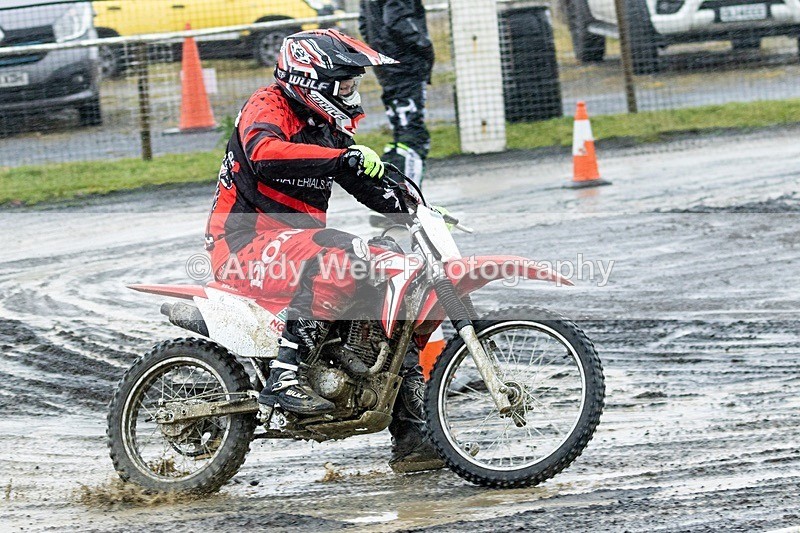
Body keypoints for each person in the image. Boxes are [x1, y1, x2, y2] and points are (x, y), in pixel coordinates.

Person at [204, 29, 444, 473]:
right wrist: (341, 159)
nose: (352, 93)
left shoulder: (328, 129)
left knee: (394, 274)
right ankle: (285, 376)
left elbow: (363, 184)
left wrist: (413, 208)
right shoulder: (267, 104)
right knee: (345, 252)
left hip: (293, 247)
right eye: (346, 84)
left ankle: (413, 433)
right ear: (312, 79)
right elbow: (262, 153)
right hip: (241, 245)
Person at [359, 0, 434, 186]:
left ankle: (389, 196)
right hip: (405, 65)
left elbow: (364, 23)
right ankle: (403, 202)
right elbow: (397, 19)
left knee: (402, 133)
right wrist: (424, 46)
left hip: (387, 65)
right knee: (413, 137)